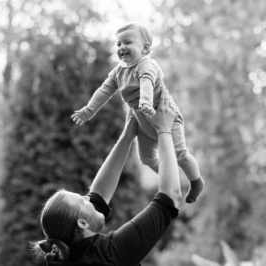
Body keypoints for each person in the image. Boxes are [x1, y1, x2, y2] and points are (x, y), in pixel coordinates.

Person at [33, 90, 183, 266]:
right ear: (82, 223)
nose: (87, 198)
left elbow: (99, 195)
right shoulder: (109, 256)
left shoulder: (64, 251)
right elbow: (171, 196)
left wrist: (127, 137)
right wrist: (164, 130)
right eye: (82, 201)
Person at [71, 21, 204, 203]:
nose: (122, 47)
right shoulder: (118, 72)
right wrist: (89, 109)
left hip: (165, 116)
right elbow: (105, 90)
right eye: (118, 44)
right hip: (142, 121)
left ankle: (196, 182)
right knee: (147, 158)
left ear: (145, 48)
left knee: (180, 154)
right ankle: (172, 179)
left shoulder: (147, 65)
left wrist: (146, 102)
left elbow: (147, 82)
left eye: (128, 42)